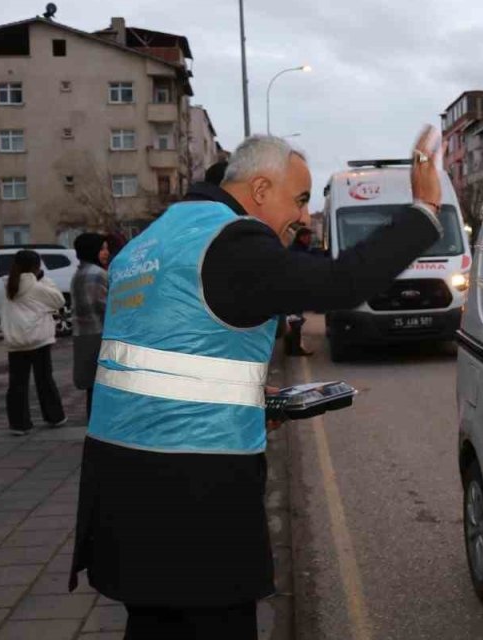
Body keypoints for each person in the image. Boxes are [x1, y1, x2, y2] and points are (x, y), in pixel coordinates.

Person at [71, 128, 444, 639]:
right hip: (191, 496)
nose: (302, 216)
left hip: (119, 485)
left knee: (153, 626)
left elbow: (164, 355)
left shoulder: (151, 241)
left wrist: (247, 397)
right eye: (299, 199)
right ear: (261, 190)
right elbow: (342, 283)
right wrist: (423, 211)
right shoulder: (232, 241)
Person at [0, 250, 67, 435]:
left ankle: (18, 424)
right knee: (44, 380)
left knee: (17, 384)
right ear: (37, 267)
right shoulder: (36, 287)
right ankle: (54, 416)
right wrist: (43, 280)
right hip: (38, 339)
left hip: (15, 341)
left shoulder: (8, 286)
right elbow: (59, 300)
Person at [71, 233, 110, 419]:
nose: (106, 253)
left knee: (92, 388)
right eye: (102, 249)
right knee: (103, 386)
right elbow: (107, 307)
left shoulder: (78, 274)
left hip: (83, 336)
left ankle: (93, 426)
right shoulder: (97, 274)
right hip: (99, 335)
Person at [284, 228, 322, 356]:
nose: (310, 239)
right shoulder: (297, 250)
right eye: (307, 237)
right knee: (295, 320)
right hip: (294, 290)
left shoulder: (297, 249)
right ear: (301, 237)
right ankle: (294, 349)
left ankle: (290, 349)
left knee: (293, 320)